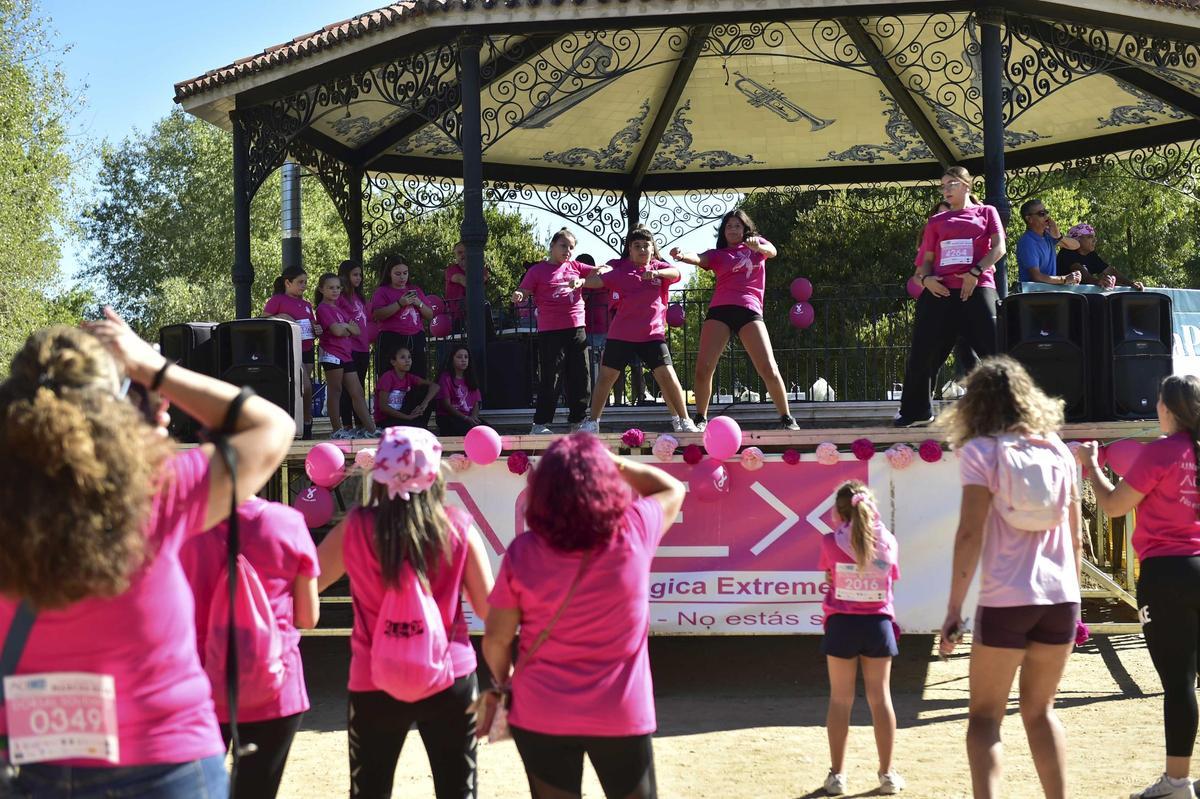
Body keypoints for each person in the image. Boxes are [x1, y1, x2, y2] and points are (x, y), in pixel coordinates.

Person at [0, 311, 294, 797]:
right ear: (113, 412)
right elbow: (271, 426)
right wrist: (150, 367)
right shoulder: (156, 492)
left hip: (33, 763)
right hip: (168, 762)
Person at [482, 433, 685, 799]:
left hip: (540, 709)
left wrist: (504, 680)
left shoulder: (523, 552)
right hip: (619, 711)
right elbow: (671, 488)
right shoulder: (633, 531)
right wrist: (616, 463)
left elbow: (496, 638)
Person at [315, 427, 494, 799]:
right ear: (433, 474)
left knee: (369, 792)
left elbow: (308, 583)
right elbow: (488, 611)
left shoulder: (357, 528)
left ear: (380, 471)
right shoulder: (457, 528)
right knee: (458, 792)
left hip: (372, 676)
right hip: (450, 675)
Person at [938, 356, 1082, 799]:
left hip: (1006, 599)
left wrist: (953, 611)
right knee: (1041, 712)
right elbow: (1075, 540)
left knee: (984, 719)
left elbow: (969, 534)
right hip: (1061, 598)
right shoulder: (1058, 450)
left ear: (975, 405)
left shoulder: (981, 452)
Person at [1076, 375, 1200, 799]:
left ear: (1168, 408)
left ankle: (1177, 782)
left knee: (1179, 682)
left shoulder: (1161, 452)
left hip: (1166, 574)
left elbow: (1112, 506)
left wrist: (1092, 467)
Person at [179, 497, 320, 799]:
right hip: (276, 689)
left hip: (201, 689)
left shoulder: (184, 527)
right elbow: (308, 617)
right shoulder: (288, 522)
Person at [896, 166, 1007, 428]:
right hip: (940, 292)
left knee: (995, 351)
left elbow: (999, 248)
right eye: (943, 185)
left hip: (977, 289)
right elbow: (926, 262)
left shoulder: (987, 212)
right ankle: (917, 411)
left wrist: (975, 272)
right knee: (922, 352)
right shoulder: (935, 222)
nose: (945, 189)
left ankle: (1008, 411)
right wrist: (926, 280)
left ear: (967, 186)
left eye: (951, 184)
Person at [670, 210, 800, 431]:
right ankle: (701, 418)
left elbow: (773, 251)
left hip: (749, 310)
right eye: (728, 226)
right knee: (703, 368)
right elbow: (700, 257)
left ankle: (787, 418)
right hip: (720, 310)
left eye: (737, 226)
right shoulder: (719, 254)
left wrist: (757, 246)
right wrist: (682, 255)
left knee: (768, 367)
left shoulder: (757, 246)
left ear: (745, 228)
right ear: (724, 231)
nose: (732, 229)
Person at [820, 481, 904, 796]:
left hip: (842, 624)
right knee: (881, 699)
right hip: (877, 625)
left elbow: (829, 575)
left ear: (839, 512)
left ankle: (837, 777)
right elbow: (891, 577)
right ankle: (887, 775)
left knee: (840, 700)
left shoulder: (829, 542)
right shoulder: (890, 542)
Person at [580, 228, 698, 434]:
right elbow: (598, 281)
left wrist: (656, 273)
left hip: (652, 335)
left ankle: (684, 420)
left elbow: (676, 273)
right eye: (637, 246)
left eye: (646, 245)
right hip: (621, 334)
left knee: (668, 376)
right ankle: (593, 422)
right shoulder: (620, 271)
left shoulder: (659, 267)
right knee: (606, 377)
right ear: (630, 250)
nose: (642, 249)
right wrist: (579, 282)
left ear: (653, 248)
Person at [512, 228, 595, 435]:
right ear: (552, 246)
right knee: (551, 376)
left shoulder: (576, 266)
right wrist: (518, 295)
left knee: (581, 374)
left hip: (576, 327)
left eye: (571, 248)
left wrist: (586, 278)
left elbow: (601, 271)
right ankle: (540, 424)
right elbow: (523, 290)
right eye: (563, 246)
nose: (568, 251)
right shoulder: (537, 270)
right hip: (550, 330)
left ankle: (578, 421)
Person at [909, 200, 977, 389]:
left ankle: (984, 402)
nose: (945, 219)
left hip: (965, 300)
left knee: (970, 354)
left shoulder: (973, 233)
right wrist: (926, 281)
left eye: (949, 214)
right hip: (938, 303)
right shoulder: (928, 241)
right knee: (930, 357)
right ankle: (919, 404)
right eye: (939, 215)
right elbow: (917, 276)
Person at [315, 272, 377, 440]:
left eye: (337, 288)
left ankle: (372, 429)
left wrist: (345, 327)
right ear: (322, 289)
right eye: (330, 288)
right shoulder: (323, 308)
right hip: (331, 354)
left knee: (357, 391)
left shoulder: (339, 310)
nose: (335, 291)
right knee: (335, 391)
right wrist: (345, 327)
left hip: (346, 354)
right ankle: (337, 430)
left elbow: (356, 330)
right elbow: (337, 331)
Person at [264, 265, 319, 439]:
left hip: (308, 348)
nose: (304, 286)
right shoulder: (278, 300)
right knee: (305, 385)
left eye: (306, 282)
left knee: (305, 389)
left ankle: (305, 424)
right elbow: (263, 319)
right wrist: (280, 317)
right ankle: (303, 421)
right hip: (290, 349)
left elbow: (312, 324)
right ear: (288, 283)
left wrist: (317, 329)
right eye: (300, 282)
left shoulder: (307, 304)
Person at [369, 254, 434, 380]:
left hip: (416, 337)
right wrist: (400, 303)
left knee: (417, 375)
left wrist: (418, 303)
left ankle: (416, 399)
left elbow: (430, 314)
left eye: (405, 273)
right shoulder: (382, 291)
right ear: (389, 273)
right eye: (397, 274)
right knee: (390, 376)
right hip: (392, 337)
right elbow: (377, 314)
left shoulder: (415, 289)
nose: (402, 277)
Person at [337, 259, 376, 436]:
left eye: (360, 274)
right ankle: (346, 426)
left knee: (360, 387)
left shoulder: (359, 297)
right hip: (349, 348)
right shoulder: (340, 298)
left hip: (363, 348)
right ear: (345, 276)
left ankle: (360, 425)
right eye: (355, 274)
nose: (359, 278)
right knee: (349, 389)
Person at [1056, 223, 1145, 290]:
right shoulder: (1067, 253)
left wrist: (1132, 284)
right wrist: (1099, 282)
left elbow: (1110, 271)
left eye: (1094, 237)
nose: (1094, 240)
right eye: (1090, 237)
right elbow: (1085, 277)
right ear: (1078, 239)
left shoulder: (1091, 255)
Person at [1015, 198, 1081, 286]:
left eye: (1046, 212)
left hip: (1049, 293)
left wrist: (1059, 236)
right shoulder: (1027, 242)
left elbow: (1076, 245)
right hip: (1033, 296)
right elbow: (1037, 277)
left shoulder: (1048, 235)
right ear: (1029, 219)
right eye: (1041, 214)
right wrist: (1064, 279)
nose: (1047, 216)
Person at [376, 346, 439, 430]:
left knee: (426, 391)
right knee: (415, 427)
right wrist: (407, 417)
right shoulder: (388, 377)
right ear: (393, 362)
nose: (407, 360)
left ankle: (420, 425)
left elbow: (435, 386)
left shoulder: (409, 377)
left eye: (409, 357)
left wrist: (424, 404)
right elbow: (383, 407)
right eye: (402, 357)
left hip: (402, 415)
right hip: (386, 419)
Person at [436, 344, 484, 436]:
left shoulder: (470, 378)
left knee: (490, 431)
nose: (463, 360)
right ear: (452, 359)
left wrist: (473, 417)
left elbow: (476, 402)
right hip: (450, 418)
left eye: (466, 357)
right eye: (459, 357)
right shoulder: (445, 378)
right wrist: (465, 418)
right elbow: (446, 405)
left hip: (469, 418)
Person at [579, 253, 610, 393]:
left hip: (592, 329)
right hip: (604, 328)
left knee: (592, 367)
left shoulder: (587, 282)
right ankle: (607, 400)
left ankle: (595, 397)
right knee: (605, 367)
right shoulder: (603, 280)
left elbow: (580, 301)